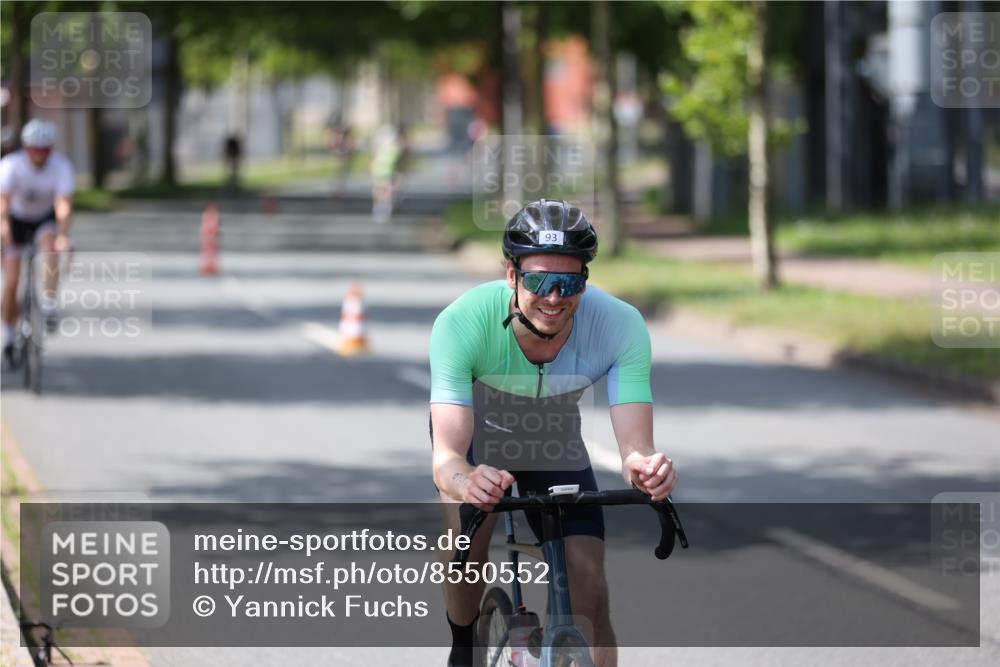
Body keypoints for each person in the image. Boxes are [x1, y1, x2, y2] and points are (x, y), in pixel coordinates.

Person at [429, 199, 678, 667]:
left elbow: (635, 449)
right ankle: (463, 646)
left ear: (585, 280)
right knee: (467, 542)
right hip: (479, 440)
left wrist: (646, 468)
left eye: (570, 282)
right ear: (511, 275)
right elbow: (447, 458)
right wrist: (466, 482)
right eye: (540, 281)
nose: (554, 296)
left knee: (590, 589)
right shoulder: (461, 323)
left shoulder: (620, 326)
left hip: (553, 435)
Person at [0, 118, 75, 365]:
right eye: (35, 149)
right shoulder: (11, 165)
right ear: (26, 148)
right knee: (11, 281)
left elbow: (63, 205)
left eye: (44, 150)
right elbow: (3, 204)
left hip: (44, 219)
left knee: (51, 244)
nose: (39, 155)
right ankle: (8, 335)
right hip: (15, 220)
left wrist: (64, 235)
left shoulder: (60, 166)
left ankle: (50, 302)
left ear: (51, 149)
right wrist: (4, 229)